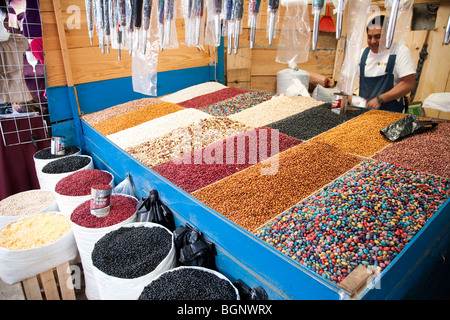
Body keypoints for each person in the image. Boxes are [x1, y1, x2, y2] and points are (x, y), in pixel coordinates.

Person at [357, 15, 416, 113]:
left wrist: (381, 99)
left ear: (389, 34)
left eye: (378, 37)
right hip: (364, 113)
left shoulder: (400, 52)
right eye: (369, 37)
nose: (373, 41)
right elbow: (346, 81)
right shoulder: (362, 54)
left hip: (391, 114)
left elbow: (409, 84)